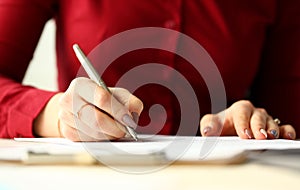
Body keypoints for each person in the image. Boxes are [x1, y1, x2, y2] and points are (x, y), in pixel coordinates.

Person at [0, 0, 298, 141]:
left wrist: (255, 125)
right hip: (86, 184)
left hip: (224, 185)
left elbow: (289, 118)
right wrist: (53, 115)